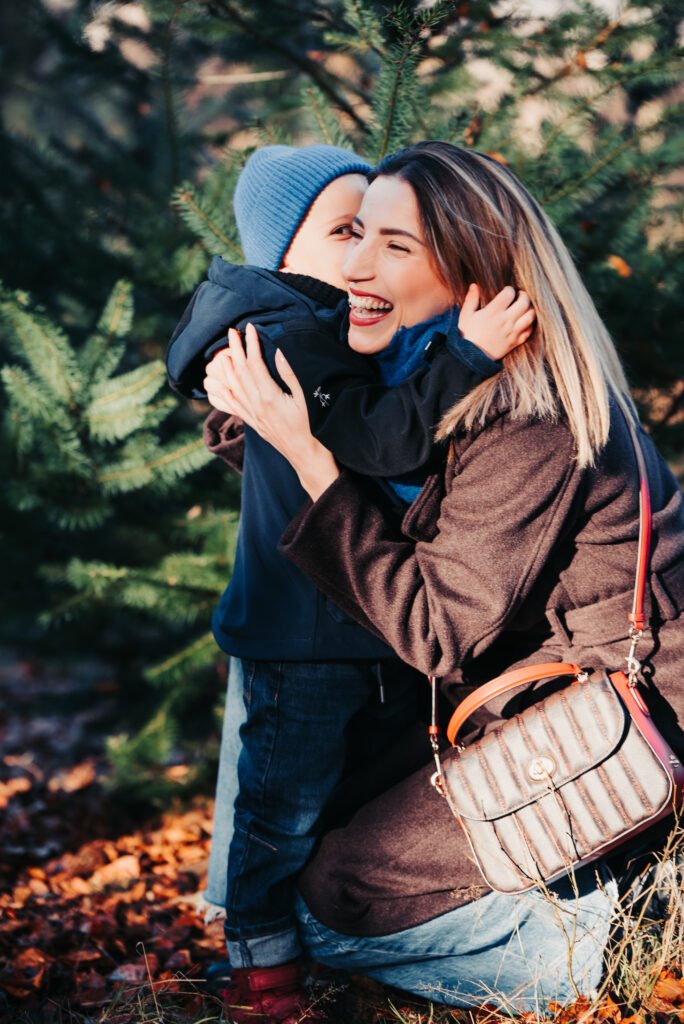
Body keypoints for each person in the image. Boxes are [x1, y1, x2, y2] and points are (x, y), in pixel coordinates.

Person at [203, 140, 684, 1012]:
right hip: (540, 698)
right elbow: (377, 465)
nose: (355, 264)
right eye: (354, 236)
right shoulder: (437, 380)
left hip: (622, 717)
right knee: (320, 831)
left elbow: (436, 631)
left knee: (329, 906)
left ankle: (617, 940)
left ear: (472, 272)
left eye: (393, 244)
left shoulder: (528, 412)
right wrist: (267, 426)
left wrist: (310, 461)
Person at [167, 143, 534, 1022]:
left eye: (379, 232)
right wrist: (472, 355)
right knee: (281, 807)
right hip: (305, 636)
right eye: (345, 232)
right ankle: (261, 966)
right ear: (283, 256)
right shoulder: (288, 336)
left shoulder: (318, 330)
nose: (364, 255)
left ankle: (314, 940)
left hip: (351, 622)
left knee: (337, 790)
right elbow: (381, 441)